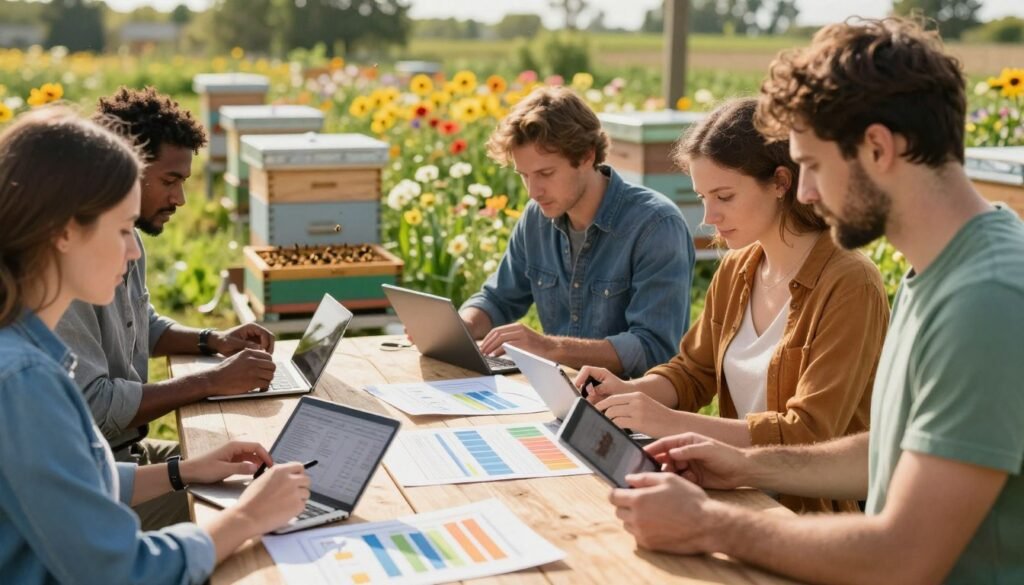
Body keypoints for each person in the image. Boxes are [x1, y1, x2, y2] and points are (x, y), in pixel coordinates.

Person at [610, 17, 1024, 584]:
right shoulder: (939, 273)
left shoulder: (986, 300)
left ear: (877, 147)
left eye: (812, 166)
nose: (803, 193)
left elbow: (906, 556)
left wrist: (710, 525)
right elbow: (890, 452)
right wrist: (744, 463)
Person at [0, 106, 310, 584]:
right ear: (63, 231)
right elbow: (119, 570)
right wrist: (247, 518)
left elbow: (75, 480)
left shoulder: (24, 349)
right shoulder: (24, 381)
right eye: (122, 229)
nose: (131, 249)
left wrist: (182, 471)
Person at [575, 98, 889, 514]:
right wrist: (630, 393)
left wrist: (665, 422)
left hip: (810, 520)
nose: (708, 216)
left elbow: (808, 433)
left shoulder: (849, 283)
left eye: (723, 196)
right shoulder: (738, 267)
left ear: (780, 182)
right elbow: (693, 371)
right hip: (735, 496)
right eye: (703, 196)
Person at [54, 87, 277, 529]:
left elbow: (141, 322)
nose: (180, 200)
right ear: (124, 170)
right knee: (255, 502)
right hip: (90, 485)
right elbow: (95, 406)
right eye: (170, 181)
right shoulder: (68, 269)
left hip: (118, 461)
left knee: (266, 463)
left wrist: (213, 340)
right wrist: (211, 381)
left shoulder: (126, 240)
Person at [460, 87, 695, 378]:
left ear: (586, 156)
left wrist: (549, 347)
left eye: (546, 174)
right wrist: (461, 328)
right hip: (559, 396)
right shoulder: (536, 218)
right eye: (524, 176)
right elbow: (497, 299)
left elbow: (654, 349)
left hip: (630, 411)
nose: (533, 192)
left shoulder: (656, 225)